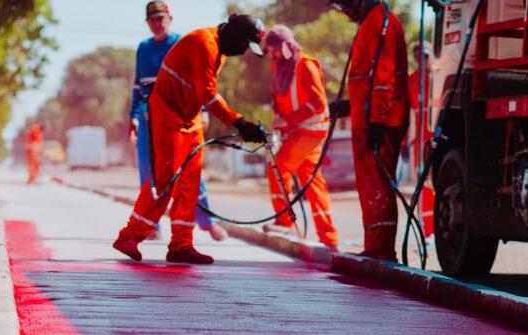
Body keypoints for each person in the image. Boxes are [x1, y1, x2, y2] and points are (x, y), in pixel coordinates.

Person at [113, 14, 267, 265]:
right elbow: (208, 93)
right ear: (235, 36)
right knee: (166, 178)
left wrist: (240, 123)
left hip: (190, 117)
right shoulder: (204, 43)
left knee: (190, 181)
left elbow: (200, 93)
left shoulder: (220, 50)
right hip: (167, 113)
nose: (242, 52)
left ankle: (181, 245)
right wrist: (240, 123)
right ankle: (129, 236)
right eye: (244, 46)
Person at [130, 1, 227, 241]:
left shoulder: (182, 43)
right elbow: (137, 85)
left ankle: (207, 222)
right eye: (152, 20)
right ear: (147, 23)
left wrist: (203, 110)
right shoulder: (143, 48)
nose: (157, 23)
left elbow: (199, 81)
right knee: (149, 171)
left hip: (180, 116)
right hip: (148, 117)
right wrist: (133, 117)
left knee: (188, 168)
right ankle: (152, 226)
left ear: (170, 18)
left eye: (161, 18)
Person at [328, 0, 409, 261]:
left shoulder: (380, 22)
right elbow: (370, 78)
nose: (345, 11)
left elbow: (383, 77)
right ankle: (375, 247)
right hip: (370, 117)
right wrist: (350, 105)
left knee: (378, 186)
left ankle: (382, 250)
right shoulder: (372, 21)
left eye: (344, 4)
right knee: (371, 185)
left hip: (380, 120)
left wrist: (378, 120)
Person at [262, 26, 339, 249]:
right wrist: (279, 117)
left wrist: (289, 120)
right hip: (296, 131)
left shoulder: (306, 65)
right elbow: (277, 96)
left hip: (311, 130)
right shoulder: (279, 67)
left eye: (274, 50)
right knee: (312, 182)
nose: (272, 55)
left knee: (278, 167)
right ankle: (330, 239)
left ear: (285, 46)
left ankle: (284, 221)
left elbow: (318, 104)